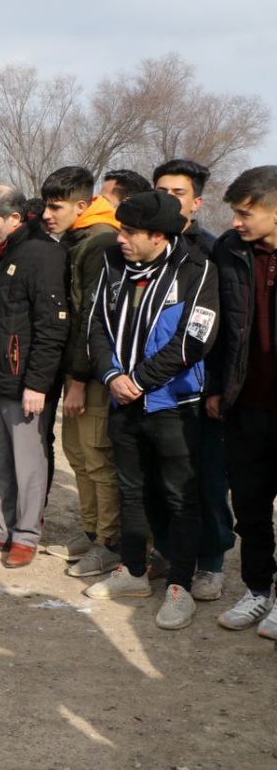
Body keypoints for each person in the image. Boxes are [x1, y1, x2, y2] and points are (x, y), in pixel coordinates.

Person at [84, 191, 219, 631]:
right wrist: (111, 377)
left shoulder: (197, 270)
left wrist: (140, 380)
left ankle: (180, 584)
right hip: (121, 398)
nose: (119, 238)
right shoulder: (112, 263)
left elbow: (194, 340)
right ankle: (134, 571)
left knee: (180, 496)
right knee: (132, 489)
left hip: (173, 405)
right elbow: (97, 326)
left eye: (129, 232)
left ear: (158, 236)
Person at [0, 186, 68, 568]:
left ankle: (26, 535)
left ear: (14, 218)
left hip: (26, 384)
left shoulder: (43, 254)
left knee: (28, 462)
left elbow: (52, 326)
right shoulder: (3, 254)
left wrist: (38, 383)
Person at [151, 159, 233, 601]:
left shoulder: (211, 250)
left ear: (197, 202)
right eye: (161, 189)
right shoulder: (144, 247)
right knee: (161, 476)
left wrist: (218, 384)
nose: (168, 198)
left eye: (178, 193)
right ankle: (165, 550)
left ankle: (212, 561)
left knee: (206, 478)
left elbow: (224, 326)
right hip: (154, 389)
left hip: (202, 386)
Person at [38, 166, 123, 573]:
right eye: (46, 206)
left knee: (96, 456)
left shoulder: (102, 241)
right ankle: (91, 532)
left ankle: (110, 542)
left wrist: (77, 380)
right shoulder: (79, 239)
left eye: (56, 207)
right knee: (77, 451)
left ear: (83, 205)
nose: (47, 215)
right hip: (76, 371)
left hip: (90, 375)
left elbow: (91, 318)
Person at [207, 165, 277, 639]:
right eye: (234, 212)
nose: (236, 221)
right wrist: (216, 387)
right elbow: (216, 325)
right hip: (246, 403)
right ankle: (257, 590)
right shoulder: (230, 251)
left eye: (245, 213)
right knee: (249, 505)